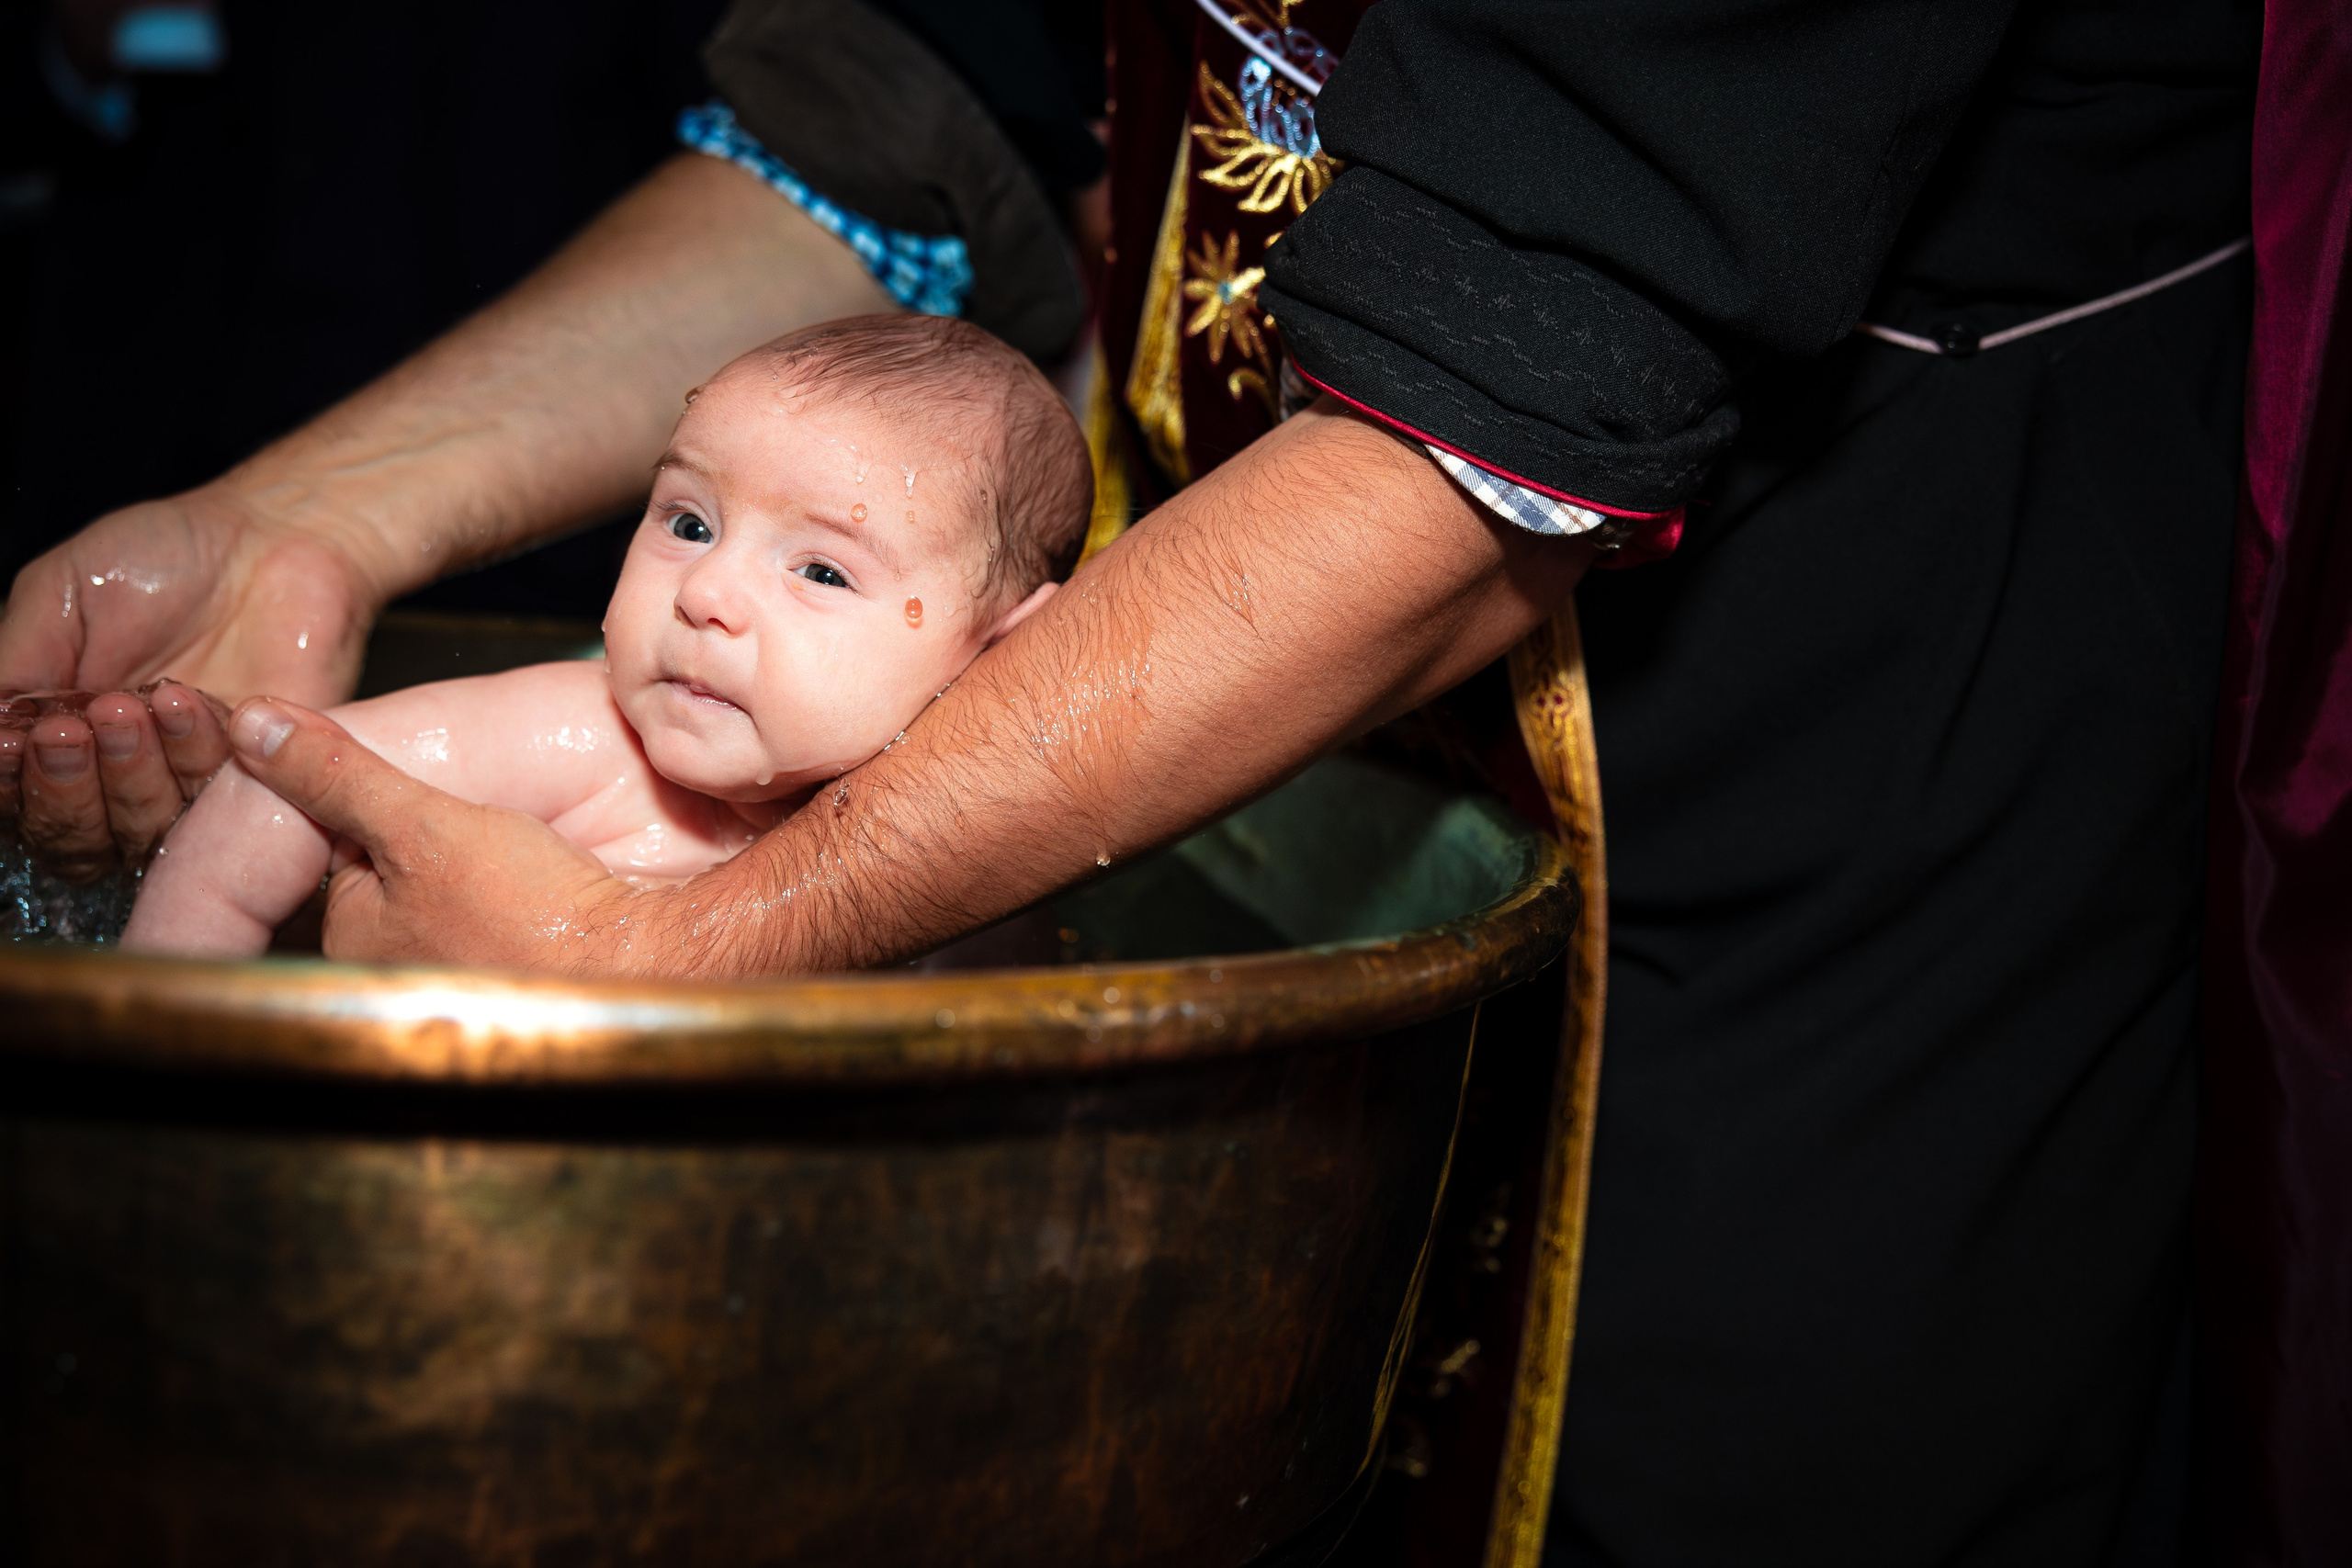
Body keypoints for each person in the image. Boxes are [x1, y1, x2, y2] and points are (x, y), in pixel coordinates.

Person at [0, 0, 2256, 1561]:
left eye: (775, 554)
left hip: (1823, 828)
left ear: (1002, 631)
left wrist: (681, 949)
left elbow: (1528, 362)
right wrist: (319, 518)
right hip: (1200, 741)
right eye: (684, 528)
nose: (697, 595)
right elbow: (929, 111)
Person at [121, 315, 1085, 956]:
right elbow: (277, 784)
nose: (705, 591)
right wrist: (170, 1017)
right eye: (688, 523)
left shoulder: (989, 858)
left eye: (822, 571)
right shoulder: (580, 739)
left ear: (997, 652)